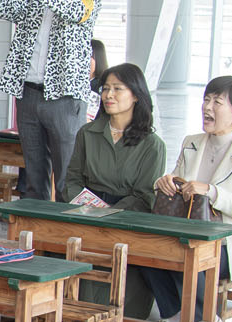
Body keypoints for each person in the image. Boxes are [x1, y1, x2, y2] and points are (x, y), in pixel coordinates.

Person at [137, 76, 232, 322]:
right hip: (189, 230)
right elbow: (177, 183)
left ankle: (204, 320)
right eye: (206, 99)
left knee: (186, 251)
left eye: (217, 102)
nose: (207, 107)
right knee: (145, 249)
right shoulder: (192, 142)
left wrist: (212, 191)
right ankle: (173, 313)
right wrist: (164, 182)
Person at [0, 0, 102, 200]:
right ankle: (34, 225)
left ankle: (65, 226)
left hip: (64, 97)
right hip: (29, 93)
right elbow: (2, 7)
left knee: (67, 175)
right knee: (33, 175)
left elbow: (73, 12)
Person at [63, 62, 165, 212]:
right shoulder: (87, 133)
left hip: (127, 217)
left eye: (117, 88)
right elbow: (73, 180)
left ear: (136, 95)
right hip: (85, 211)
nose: (108, 95)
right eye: (105, 88)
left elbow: (145, 196)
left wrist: (109, 213)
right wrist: (82, 206)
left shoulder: (152, 145)